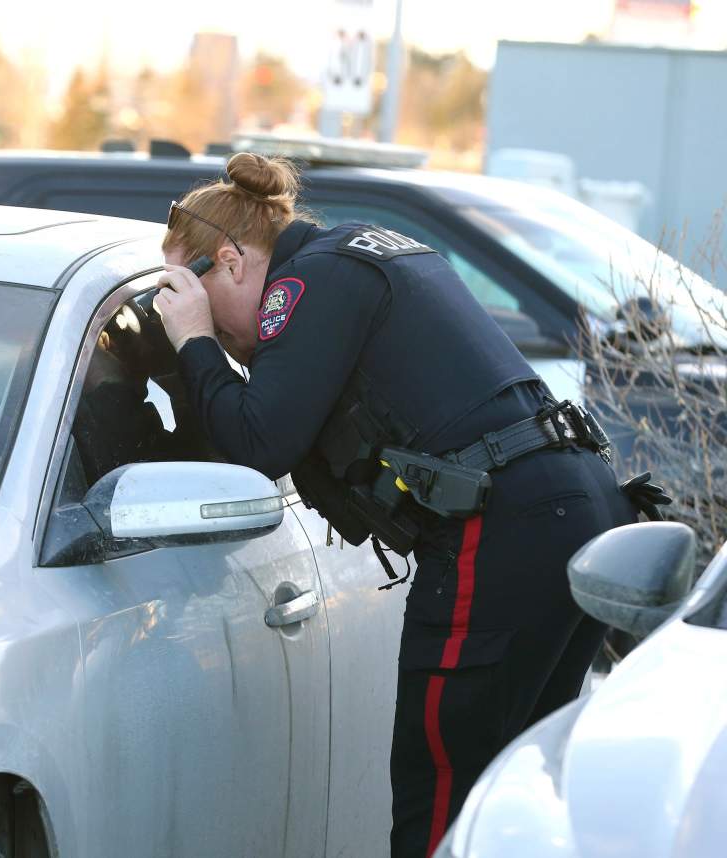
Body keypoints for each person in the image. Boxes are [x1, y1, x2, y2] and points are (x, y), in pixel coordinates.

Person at [153, 151, 666, 858]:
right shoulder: (357, 251)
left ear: (232, 261)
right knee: (510, 785)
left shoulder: (307, 282)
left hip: (506, 525)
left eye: (186, 286)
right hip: (568, 506)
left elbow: (257, 439)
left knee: (443, 788)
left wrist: (194, 341)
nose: (183, 308)